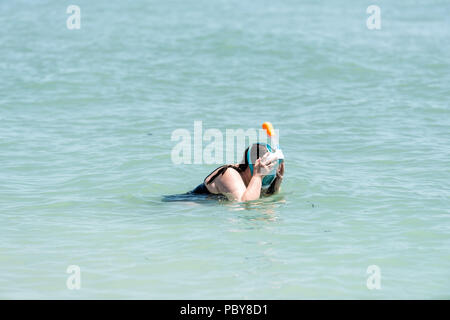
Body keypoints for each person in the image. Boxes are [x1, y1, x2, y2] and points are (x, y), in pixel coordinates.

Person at [188, 143, 284, 202]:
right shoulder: (230, 173)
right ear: (256, 164)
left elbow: (264, 196)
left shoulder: (253, 177)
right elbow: (246, 203)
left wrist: (278, 180)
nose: (267, 171)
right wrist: (257, 176)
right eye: (266, 166)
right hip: (188, 202)